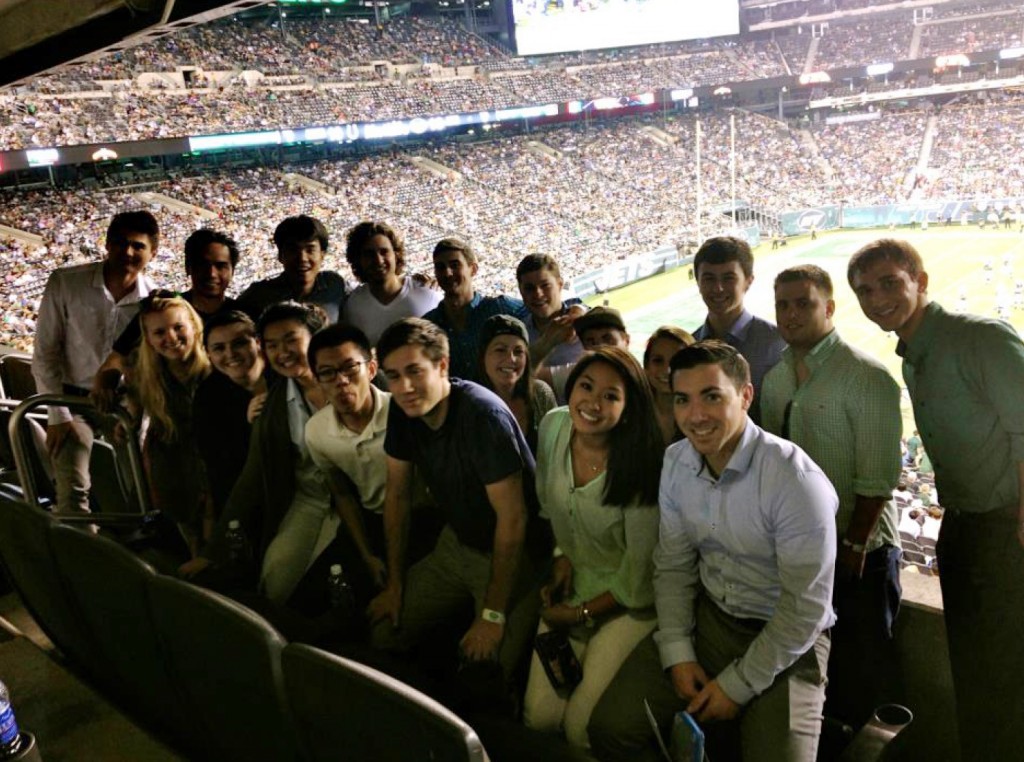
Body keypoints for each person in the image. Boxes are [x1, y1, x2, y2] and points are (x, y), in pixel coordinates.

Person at [588, 341, 837, 762]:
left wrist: (737, 685)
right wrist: (678, 652)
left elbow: (804, 609)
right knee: (610, 728)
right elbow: (673, 567)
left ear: (745, 396)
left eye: (712, 397)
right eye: (682, 400)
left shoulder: (794, 481)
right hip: (711, 621)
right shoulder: (677, 462)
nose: (695, 416)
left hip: (788, 640)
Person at [848, 238, 1024, 762]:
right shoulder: (914, 357)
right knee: (976, 671)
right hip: (967, 529)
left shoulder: (980, 339)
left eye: (888, 283)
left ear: (920, 281)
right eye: (864, 290)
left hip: (1005, 530)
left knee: (1004, 678)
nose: (877, 298)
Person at [368, 317, 543, 696]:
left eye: (415, 371)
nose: (404, 387)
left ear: (442, 366)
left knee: (485, 671)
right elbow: (396, 496)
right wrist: (396, 584)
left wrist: (493, 616)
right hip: (457, 543)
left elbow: (513, 520)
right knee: (383, 631)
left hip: (514, 554)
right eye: (393, 376)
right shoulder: (403, 408)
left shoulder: (483, 416)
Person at [760, 265, 903, 729]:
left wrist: (855, 544)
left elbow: (877, 477)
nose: (792, 313)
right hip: (798, 550)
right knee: (814, 671)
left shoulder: (867, 376)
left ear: (830, 308)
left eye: (804, 303)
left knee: (862, 672)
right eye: (783, 304)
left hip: (858, 553)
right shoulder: (775, 379)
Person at [523, 347, 663, 749]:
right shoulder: (553, 426)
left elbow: (639, 578)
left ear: (629, 408)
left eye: (611, 396)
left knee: (580, 730)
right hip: (574, 584)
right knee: (538, 719)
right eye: (586, 386)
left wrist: (577, 614)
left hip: (629, 603)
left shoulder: (641, 467)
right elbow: (551, 508)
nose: (593, 403)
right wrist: (561, 558)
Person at [182, 302, 338, 607]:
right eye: (273, 344)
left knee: (322, 581)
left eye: (291, 339)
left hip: (356, 504)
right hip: (310, 500)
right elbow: (246, 480)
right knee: (276, 581)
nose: (283, 352)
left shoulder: (349, 381)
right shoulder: (274, 403)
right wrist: (212, 552)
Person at [32, 210, 158, 514]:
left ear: (153, 251)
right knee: (72, 489)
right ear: (106, 244)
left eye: (138, 246)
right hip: (71, 401)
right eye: (120, 242)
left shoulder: (153, 299)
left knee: (138, 488)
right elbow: (45, 351)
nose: (127, 252)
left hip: (124, 405)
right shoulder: (66, 283)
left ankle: (133, 552)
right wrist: (58, 415)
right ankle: (76, 553)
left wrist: (137, 411)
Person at [92, 228, 240, 412]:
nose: (211, 273)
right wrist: (106, 385)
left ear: (233, 270)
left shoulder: (243, 315)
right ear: (188, 267)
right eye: (202, 264)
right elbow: (117, 359)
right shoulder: (164, 311)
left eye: (221, 266)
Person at [304, 323, 391, 605]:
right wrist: (366, 554)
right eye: (328, 373)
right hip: (369, 520)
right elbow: (341, 493)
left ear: (372, 369)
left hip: (420, 521)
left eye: (350, 368)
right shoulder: (316, 431)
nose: (341, 381)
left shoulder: (402, 414)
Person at [132, 293, 212, 553]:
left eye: (178, 327)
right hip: (172, 471)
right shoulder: (147, 375)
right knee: (192, 540)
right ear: (149, 339)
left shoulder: (215, 365)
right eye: (159, 332)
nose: (171, 337)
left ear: (193, 325)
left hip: (212, 465)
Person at [690, 236, 785, 424]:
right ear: (698, 282)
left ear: (748, 281)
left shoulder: (778, 344)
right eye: (709, 278)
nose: (718, 288)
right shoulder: (688, 346)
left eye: (728, 278)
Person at [192, 310, 268, 524]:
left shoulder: (282, 376)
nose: (231, 354)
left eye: (239, 343)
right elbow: (220, 467)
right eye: (219, 348)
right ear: (207, 353)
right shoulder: (208, 398)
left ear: (258, 342)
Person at [422, 238, 527, 382]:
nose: (447, 273)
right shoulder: (428, 325)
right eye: (440, 267)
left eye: (455, 265)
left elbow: (540, 311)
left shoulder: (500, 307)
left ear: (473, 269)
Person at [341, 221, 441, 345]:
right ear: (358, 260)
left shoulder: (427, 294)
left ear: (396, 255)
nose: (378, 260)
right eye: (369, 254)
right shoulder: (352, 306)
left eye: (384, 252)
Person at [238, 216, 348, 323]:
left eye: (310, 249)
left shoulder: (334, 284)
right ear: (280, 256)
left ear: (322, 255)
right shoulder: (258, 296)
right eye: (293, 249)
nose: (302, 258)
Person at [477, 315, 557, 455]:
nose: (511, 359)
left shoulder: (540, 394)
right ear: (483, 356)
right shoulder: (470, 405)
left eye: (518, 351)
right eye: (500, 350)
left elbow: (559, 448)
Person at [516, 253, 585, 400]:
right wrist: (548, 342)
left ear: (560, 284)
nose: (538, 294)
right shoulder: (518, 334)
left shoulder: (587, 322)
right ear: (520, 291)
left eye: (545, 285)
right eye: (529, 288)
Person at [642, 326, 695, 446]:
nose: (667, 370)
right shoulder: (631, 412)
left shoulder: (702, 413)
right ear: (646, 366)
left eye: (676, 361)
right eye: (658, 360)